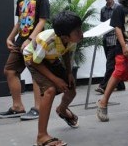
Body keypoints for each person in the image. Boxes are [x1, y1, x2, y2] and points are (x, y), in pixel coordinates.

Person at [23, 11, 83, 146]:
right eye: (77, 31)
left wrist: (69, 73)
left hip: (50, 58)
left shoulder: (71, 39)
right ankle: (41, 137)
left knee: (71, 89)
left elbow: (66, 53)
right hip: (33, 58)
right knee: (49, 90)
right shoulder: (47, 41)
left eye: (80, 29)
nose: (81, 34)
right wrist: (55, 80)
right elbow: (35, 62)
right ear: (65, 36)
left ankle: (61, 110)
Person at [0, 0, 50, 121]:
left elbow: (42, 21)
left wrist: (30, 39)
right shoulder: (21, 0)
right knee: (10, 71)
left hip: (35, 41)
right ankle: (17, 106)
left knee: (36, 74)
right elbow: (20, 22)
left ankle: (38, 108)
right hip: (20, 41)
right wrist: (10, 38)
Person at [95, 0, 125, 94]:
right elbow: (102, 24)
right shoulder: (103, 10)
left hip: (115, 39)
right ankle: (120, 85)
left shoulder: (118, 8)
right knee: (113, 63)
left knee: (110, 64)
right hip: (106, 39)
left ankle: (103, 86)